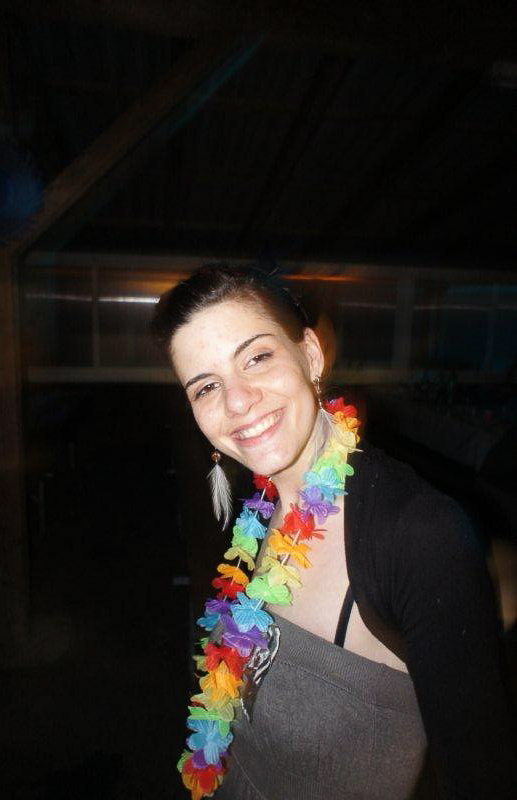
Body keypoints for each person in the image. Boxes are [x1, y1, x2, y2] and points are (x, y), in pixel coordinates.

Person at [151, 264, 515, 800]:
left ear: (311, 355)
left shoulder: (417, 535)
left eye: (256, 357)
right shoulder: (257, 509)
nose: (237, 402)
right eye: (206, 386)